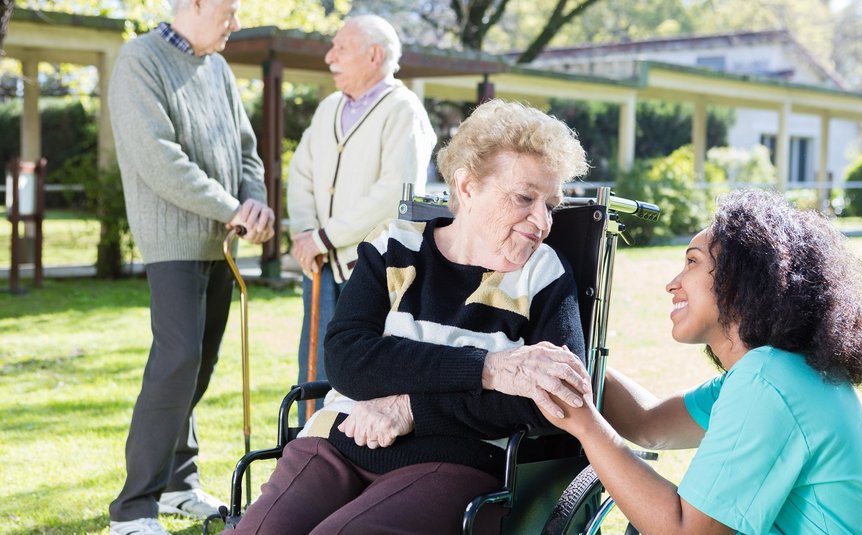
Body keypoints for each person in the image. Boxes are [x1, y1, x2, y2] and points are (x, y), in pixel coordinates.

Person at [232, 99, 591, 534]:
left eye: (551, 205)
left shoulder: (544, 274)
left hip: (455, 460)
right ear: (467, 187)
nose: (542, 220)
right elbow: (348, 358)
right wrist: (488, 368)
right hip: (339, 439)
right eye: (524, 198)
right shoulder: (394, 245)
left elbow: (550, 394)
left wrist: (413, 409)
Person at [541, 188, 862, 534]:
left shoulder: (769, 381)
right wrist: (559, 355)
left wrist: (586, 424)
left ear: (741, 282)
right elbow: (647, 422)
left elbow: (686, 531)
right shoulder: (780, 371)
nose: (672, 284)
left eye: (692, 262)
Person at [107, 0, 276, 533]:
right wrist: (233, 209)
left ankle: (180, 484)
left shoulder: (218, 68)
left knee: (198, 365)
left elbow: (247, 152)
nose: (237, 22)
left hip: (220, 241)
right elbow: (158, 157)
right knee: (176, 362)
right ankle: (133, 507)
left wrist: (255, 203)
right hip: (173, 241)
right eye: (229, 10)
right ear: (196, 4)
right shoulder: (140, 59)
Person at [286, 14, 437, 425]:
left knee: (362, 369)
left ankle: (353, 452)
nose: (329, 56)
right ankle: (305, 452)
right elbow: (300, 173)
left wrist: (324, 237)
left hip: (370, 267)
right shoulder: (329, 108)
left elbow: (394, 191)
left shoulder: (404, 109)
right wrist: (304, 234)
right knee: (313, 363)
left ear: (374, 56)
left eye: (341, 48)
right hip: (318, 259)